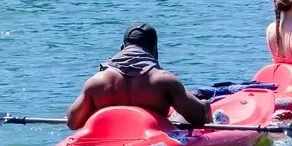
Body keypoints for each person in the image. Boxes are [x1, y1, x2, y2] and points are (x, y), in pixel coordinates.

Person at [67, 24, 211, 129]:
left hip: (110, 138)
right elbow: (198, 118)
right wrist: (205, 105)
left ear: (122, 49)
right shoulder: (163, 80)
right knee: (198, 108)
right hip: (148, 140)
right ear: (154, 50)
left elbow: (73, 123)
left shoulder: (97, 81)